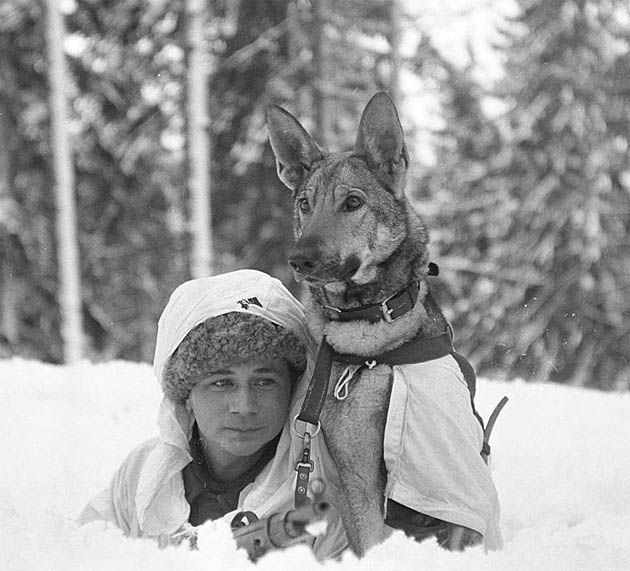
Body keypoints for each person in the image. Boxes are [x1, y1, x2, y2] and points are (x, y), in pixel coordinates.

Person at [79, 269, 347, 559]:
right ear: (187, 395)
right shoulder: (142, 477)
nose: (244, 406)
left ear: (293, 389)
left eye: (264, 381)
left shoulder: (325, 492)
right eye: (222, 383)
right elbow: (76, 553)